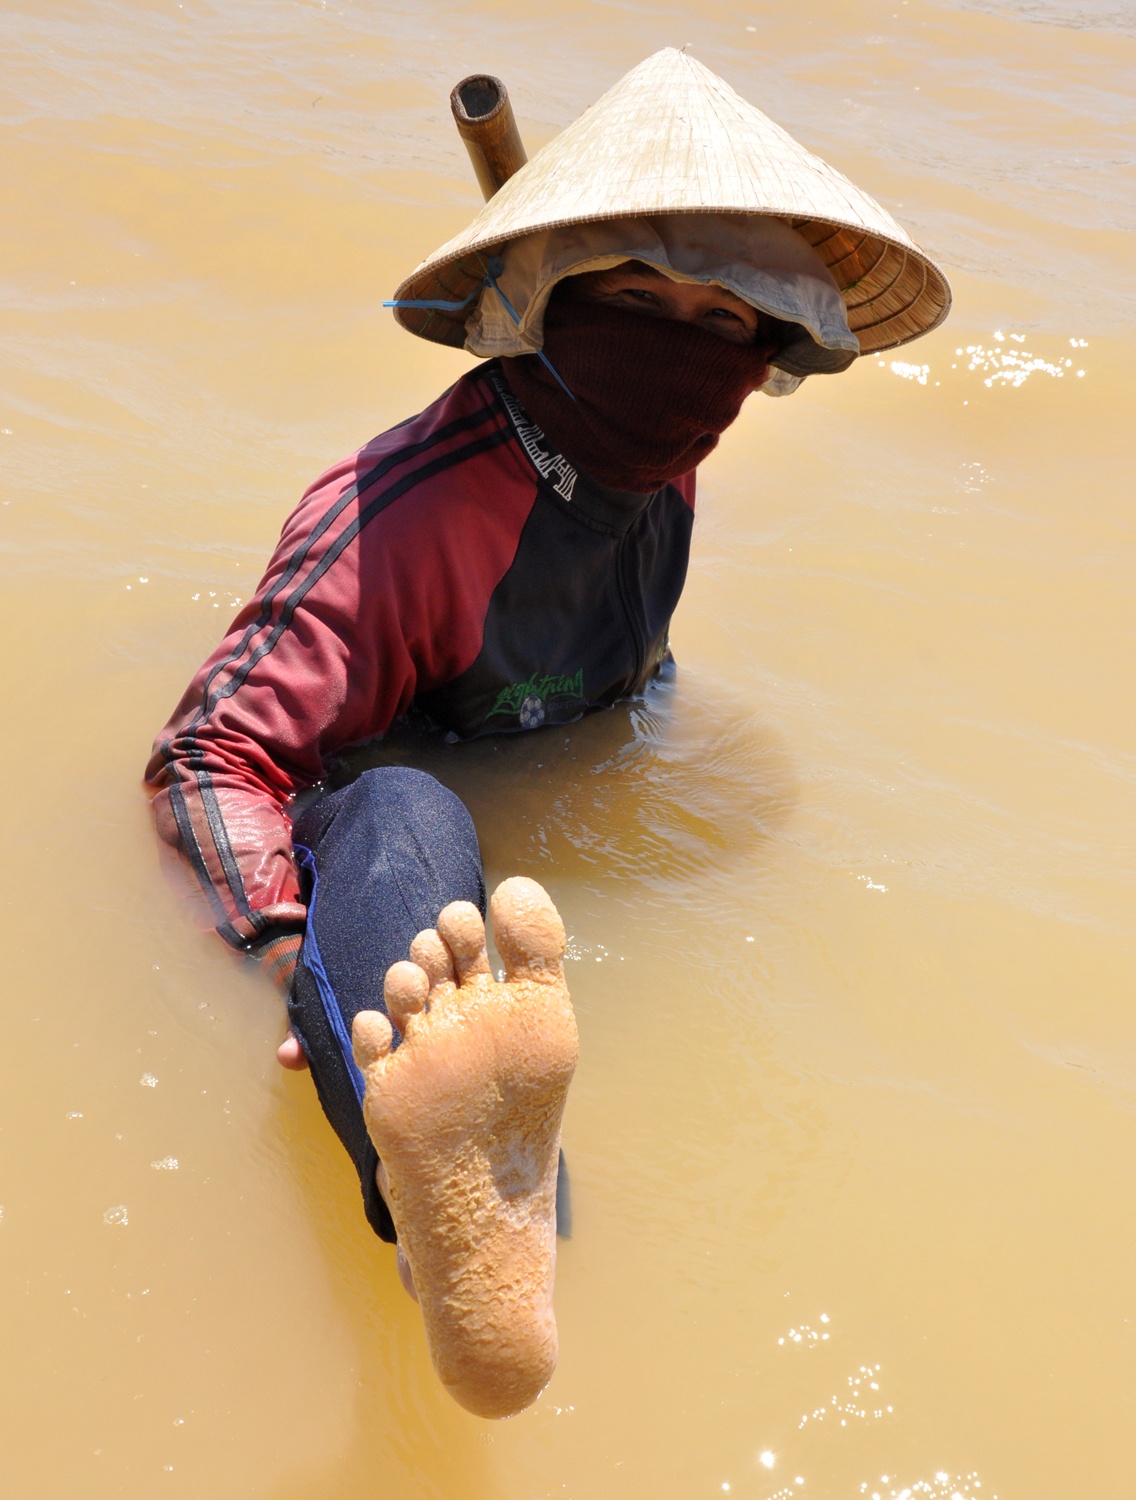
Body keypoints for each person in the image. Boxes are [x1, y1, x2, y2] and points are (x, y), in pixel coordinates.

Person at [145, 48, 949, 1419]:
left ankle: (505, 1215)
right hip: (375, 808)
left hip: (547, 772)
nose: (682, 346)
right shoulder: (402, 512)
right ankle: (475, 1227)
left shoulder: (662, 461)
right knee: (407, 823)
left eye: (722, 317)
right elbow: (207, 758)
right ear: (552, 312)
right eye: (637, 301)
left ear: (764, 354)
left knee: (513, 955)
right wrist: (285, 949)